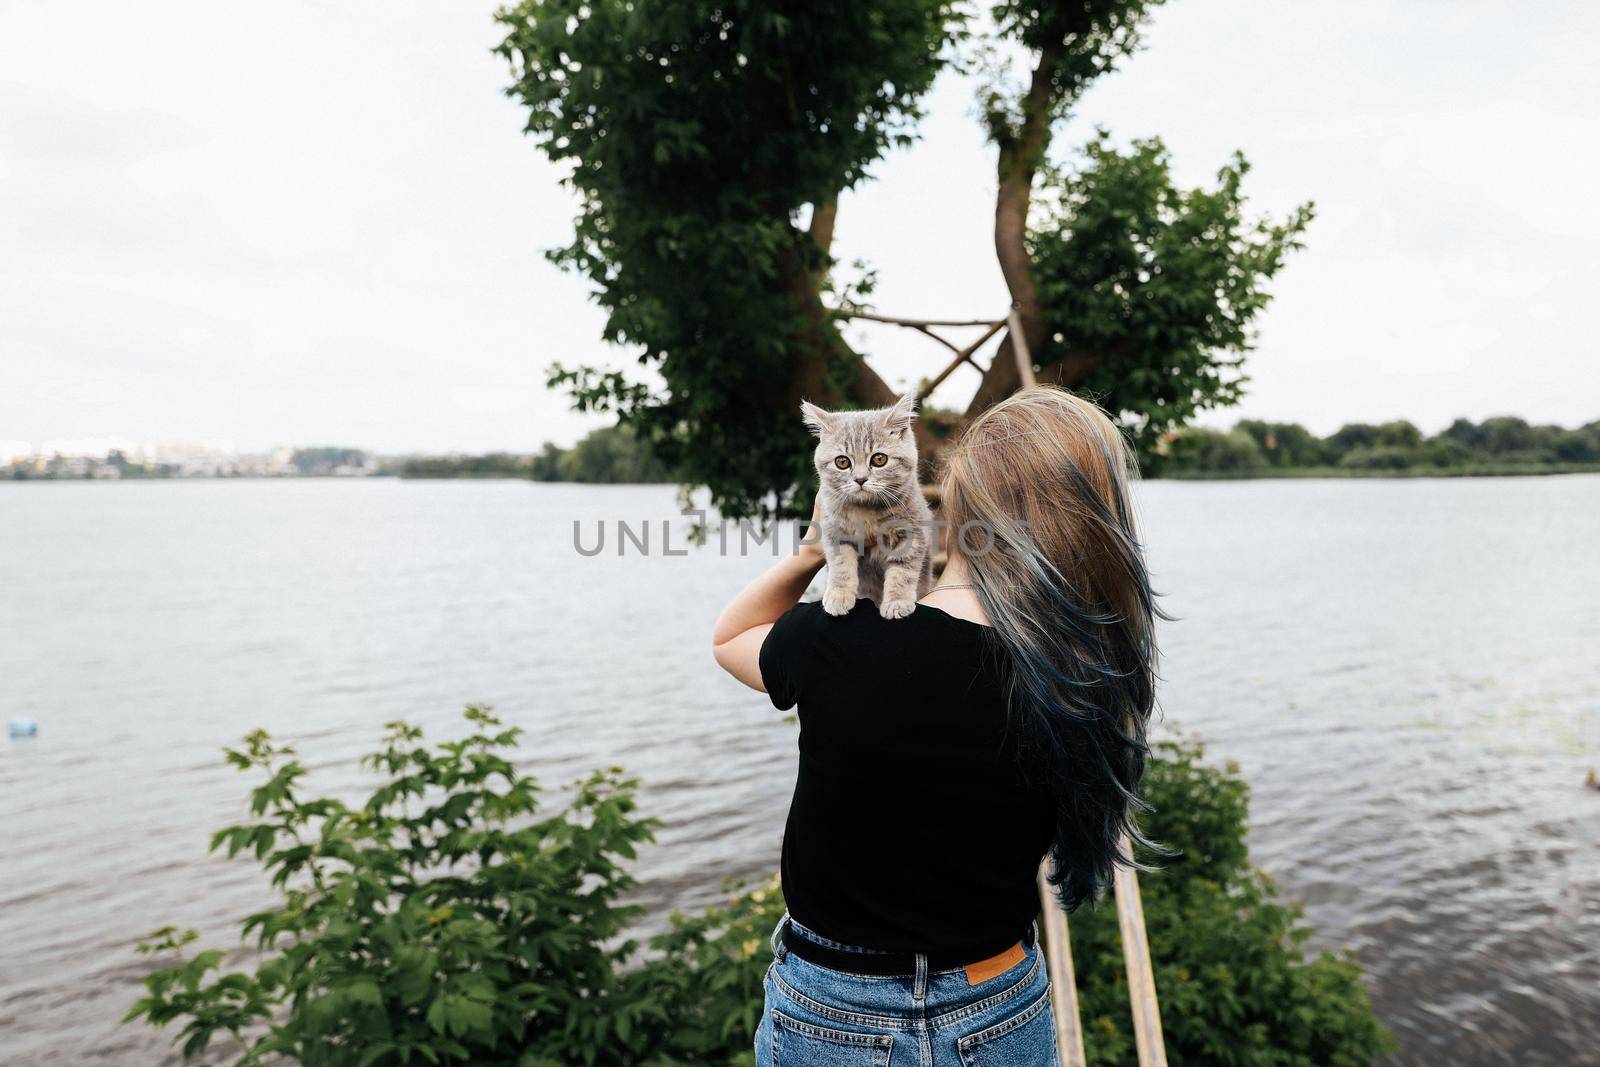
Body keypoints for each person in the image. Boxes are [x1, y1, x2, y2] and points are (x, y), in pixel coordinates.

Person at [712, 387, 1161, 1066]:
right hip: (1001, 1001)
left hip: (836, 1011)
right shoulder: (1084, 666)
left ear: (958, 508)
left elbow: (732, 635)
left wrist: (815, 546)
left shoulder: (832, 641)